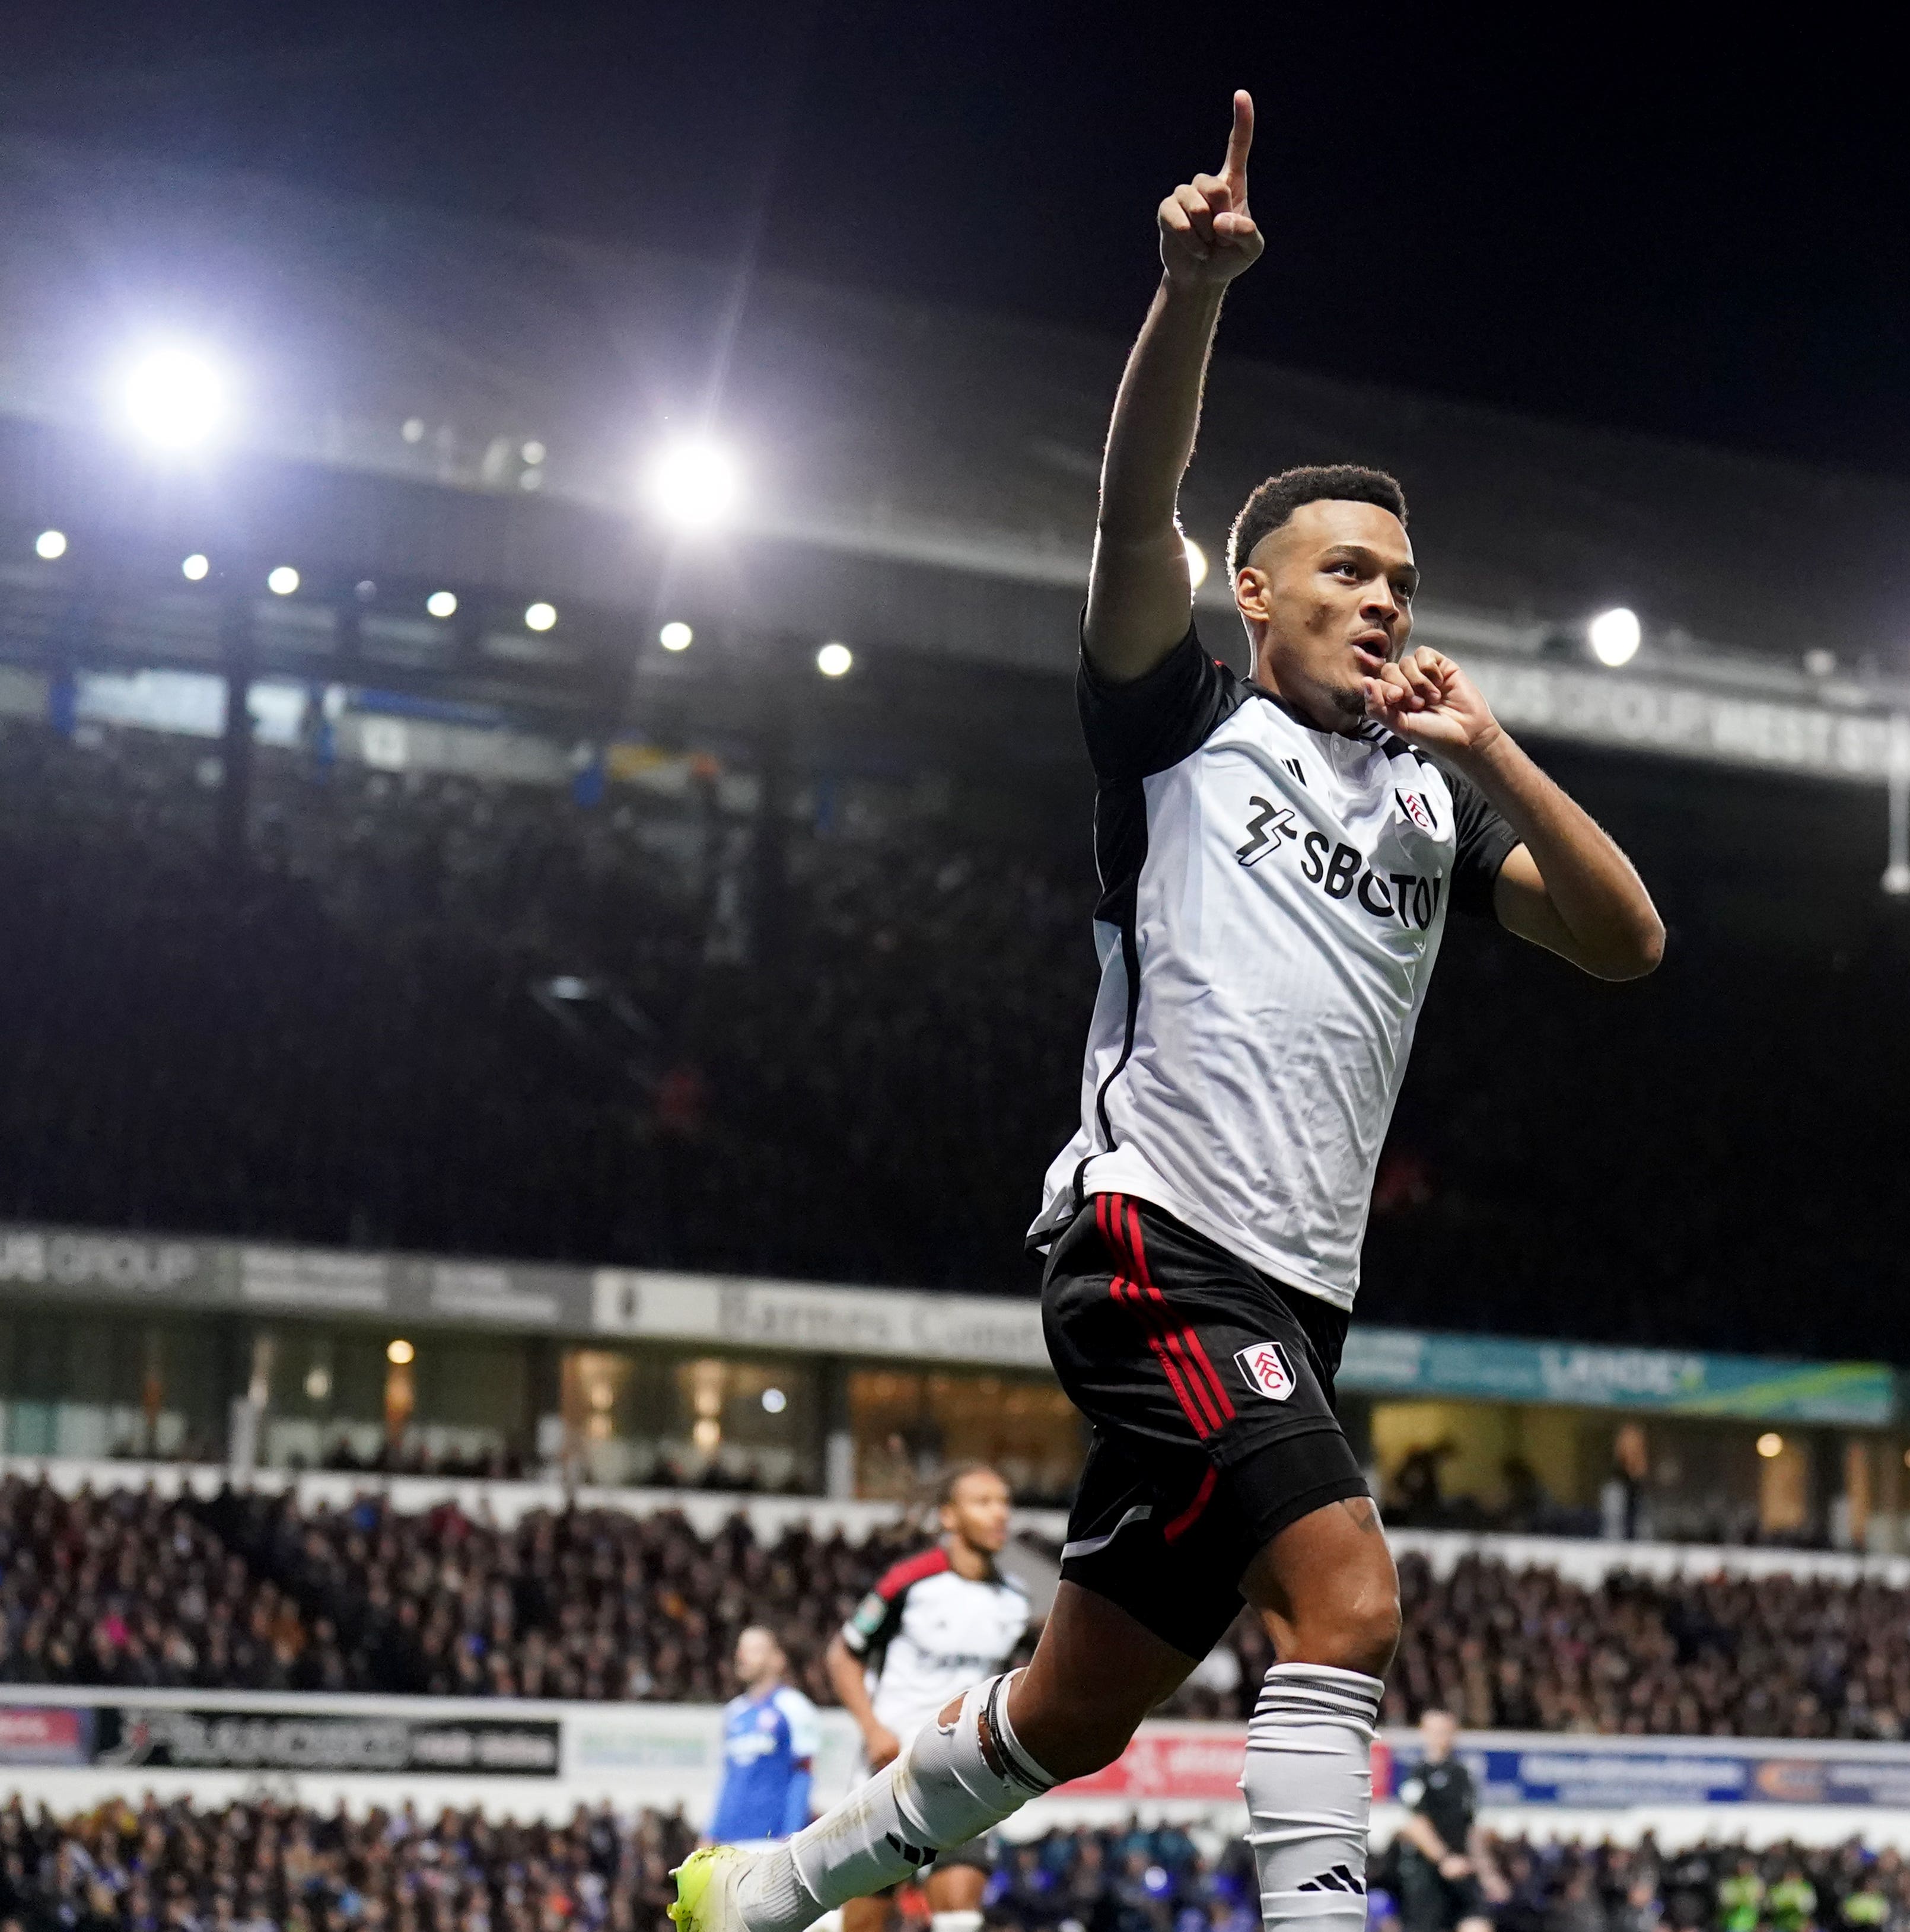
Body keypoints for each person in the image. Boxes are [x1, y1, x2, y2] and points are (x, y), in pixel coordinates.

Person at [673, 86, 1663, 1932]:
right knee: (1348, 1599)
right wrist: (1186, 293)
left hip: (1293, 1287)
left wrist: (1499, 747)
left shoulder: (1434, 809)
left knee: (1073, 1705)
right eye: (1346, 570)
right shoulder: (1181, 722)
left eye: (1402, 581)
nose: (1379, 598)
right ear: (1254, 590)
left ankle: (758, 1893)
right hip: (1158, 1235)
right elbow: (1133, 504)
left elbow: (1626, 941)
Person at [822, 1467, 1036, 1932]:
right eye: (982, 1501)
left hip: (965, 1776)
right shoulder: (908, 1581)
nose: (999, 1512)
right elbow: (843, 1655)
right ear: (948, 1516)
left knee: (960, 1912)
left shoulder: (1016, 1601)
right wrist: (873, 1729)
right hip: (889, 1770)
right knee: (862, 1921)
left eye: (1003, 1501)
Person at [710, 1628, 822, 1851]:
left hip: (771, 1841)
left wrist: (791, 1836)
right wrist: (711, 1833)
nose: (742, 1656)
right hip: (729, 1842)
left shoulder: (794, 1707)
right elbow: (729, 1779)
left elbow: (803, 1774)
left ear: (777, 1659)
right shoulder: (734, 1713)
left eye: (754, 1649)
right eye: (741, 1649)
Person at [1396, 1710, 1498, 1932]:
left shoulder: (1463, 1775)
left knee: (1478, 1923)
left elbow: (1470, 1829)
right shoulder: (1417, 1774)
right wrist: (1444, 1860)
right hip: (1428, 1874)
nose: (1442, 1736)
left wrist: (1489, 1874)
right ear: (1424, 1733)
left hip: (1463, 1869)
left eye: (1447, 1731)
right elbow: (1416, 1825)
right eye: (1436, 1731)